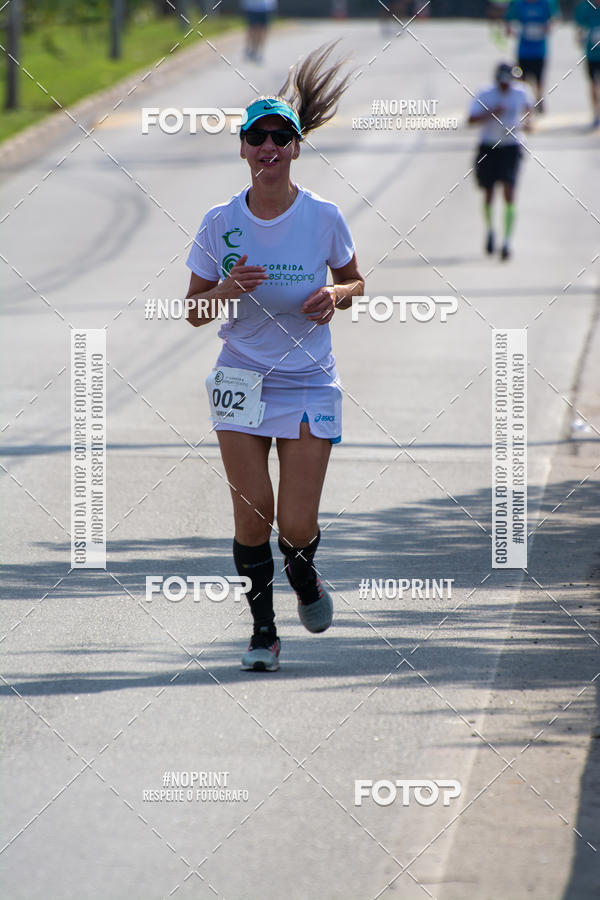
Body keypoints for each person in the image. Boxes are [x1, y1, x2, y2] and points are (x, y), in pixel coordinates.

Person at [184, 45, 364, 672]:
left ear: (295, 148)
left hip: (308, 379)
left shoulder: (324, 216)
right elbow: (193, 311)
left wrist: (335, 296)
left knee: (295, 525)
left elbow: (355, 281)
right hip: (240, 377)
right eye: (257, 137)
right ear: (242, 148)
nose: (268, 147)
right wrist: (226, 290)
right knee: (253, 514)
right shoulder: (219, 222)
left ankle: (304, 574)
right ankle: (263, 632)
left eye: (280, 138)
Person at [468, 61, 534, 261]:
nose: (507, 86)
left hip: (511, 146)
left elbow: (529, 111)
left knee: (509, 192)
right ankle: (490, 230)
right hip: (489, 146)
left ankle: (506, 242)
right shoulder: (485, 93)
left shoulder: (521, 92)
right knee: (489, 192)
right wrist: (491, 113)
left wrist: (528, 122)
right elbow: (470, 120)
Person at [506, 0, 554, 111]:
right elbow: (509, 21)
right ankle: (525, 103)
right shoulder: (519, 4)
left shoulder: (545, 3)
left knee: (539, 79)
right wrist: (513, 30)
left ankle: (539, 99)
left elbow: (553, 19)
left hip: (539, 50)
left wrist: (547, 27)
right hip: (523, 50)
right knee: (522, 79)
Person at [574, 0, 600, 127]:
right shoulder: (585, 7)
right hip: (592, 54)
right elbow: (579, 29)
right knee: (593, 84)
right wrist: (581, 37)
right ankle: (596, 113)